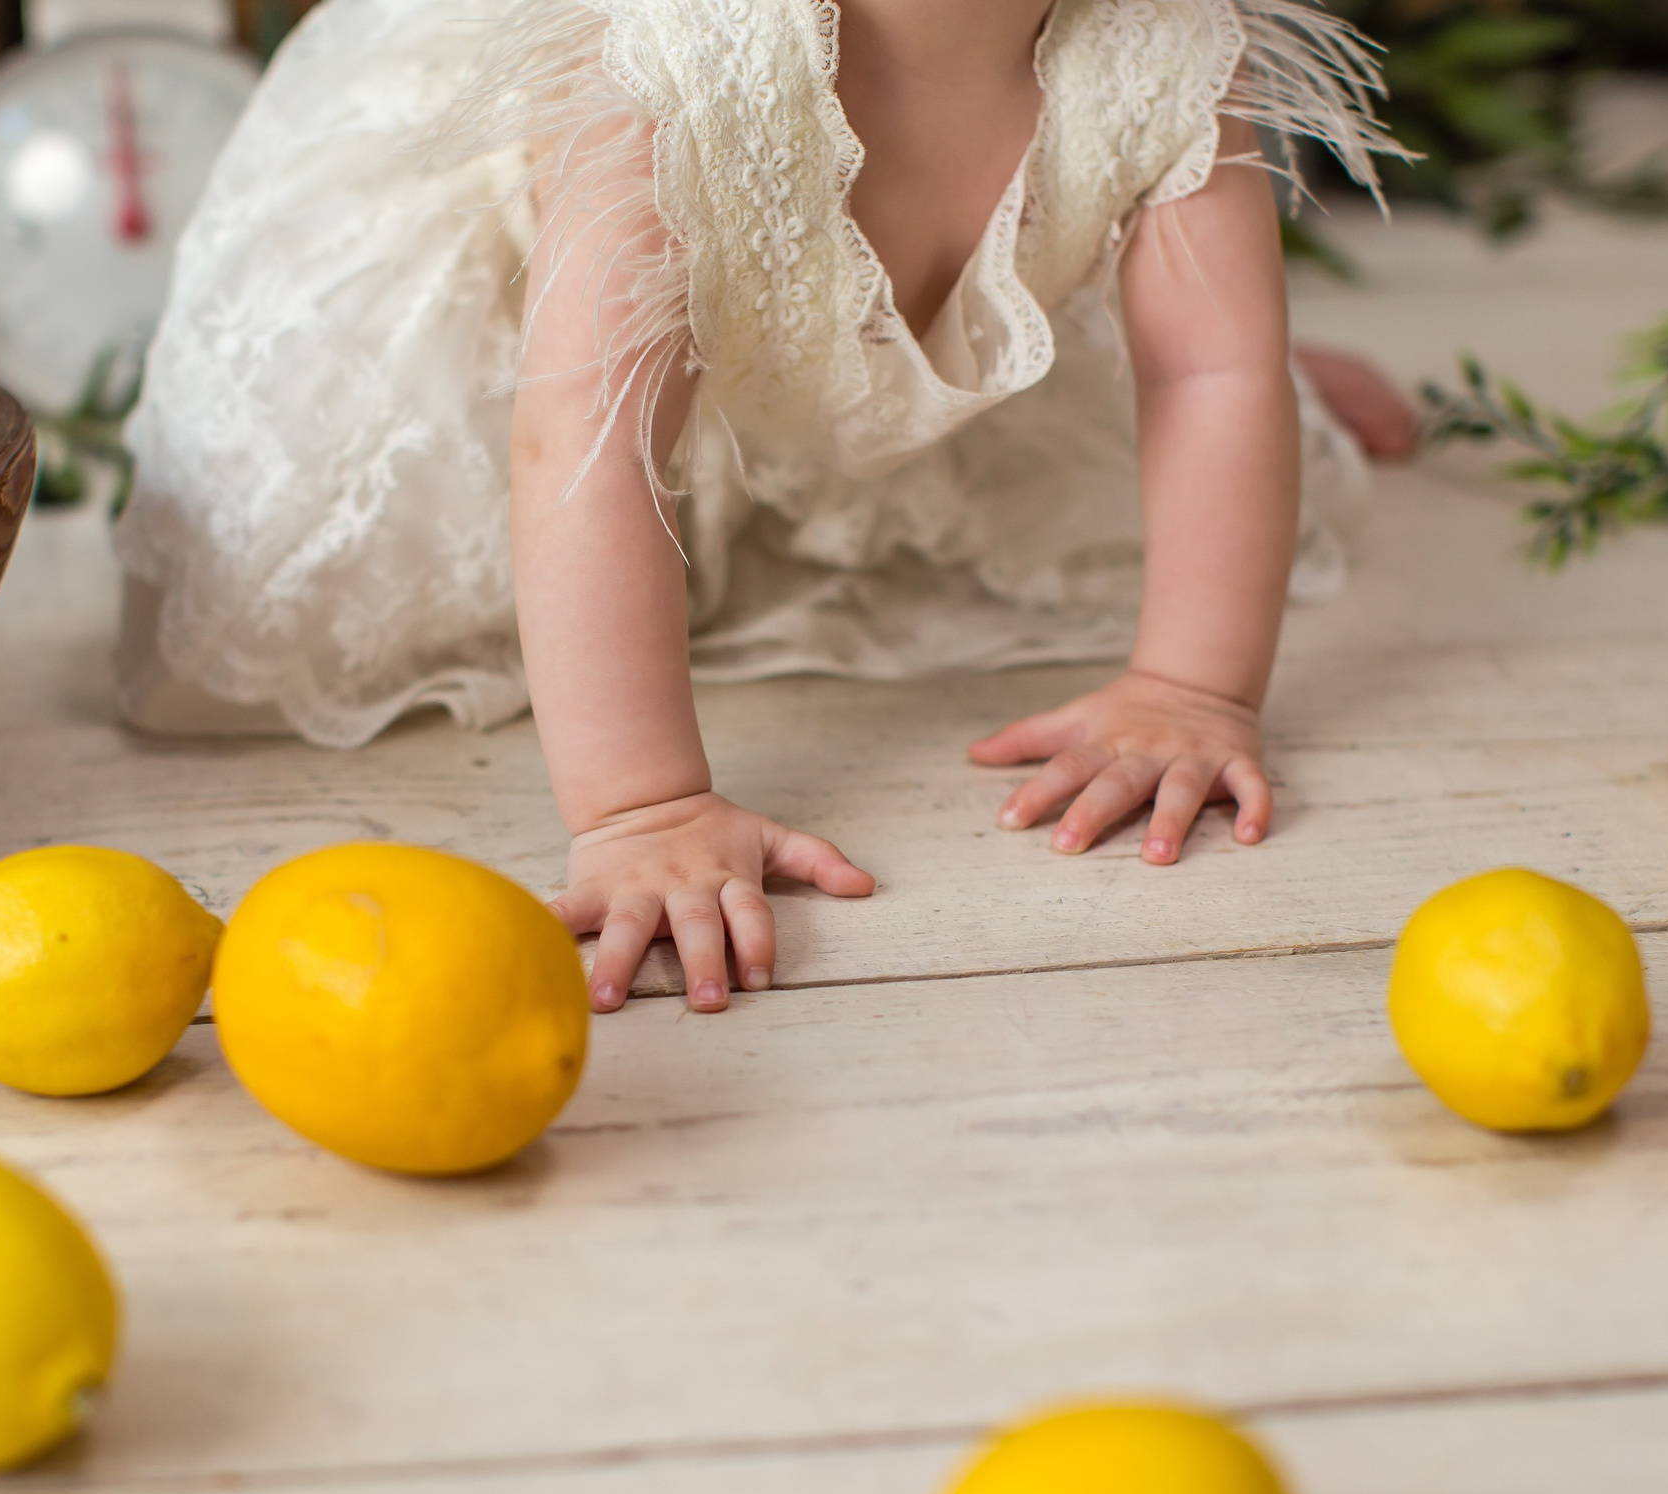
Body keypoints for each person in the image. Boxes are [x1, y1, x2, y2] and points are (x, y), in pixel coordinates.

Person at [115, 0, 1417, 1013]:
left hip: (840, 314)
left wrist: (1194, 687)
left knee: (1210, 356)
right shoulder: (671, 59)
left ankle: (1176, 301)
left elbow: (1205, 372)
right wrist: (643, 809)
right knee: (353, 547)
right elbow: (586, 435)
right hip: (529, 351)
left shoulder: (1158, 39)